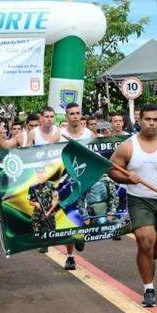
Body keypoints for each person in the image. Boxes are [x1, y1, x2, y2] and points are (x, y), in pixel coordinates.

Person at [110, 104, 157, 307]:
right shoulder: (128, 146)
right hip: (139, 200)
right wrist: (128, 180)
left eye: (155, 119)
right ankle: (148, 288)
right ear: (139, 121)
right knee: (145, 240)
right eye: (147, 119)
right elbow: (112, 170)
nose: (151, 123)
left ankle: (146, 259)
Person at [59, 102, 95, 265]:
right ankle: (70, 256)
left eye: (77, 113)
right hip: (67, 180)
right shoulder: (60, 134)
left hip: (86, 179)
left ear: (81, 115)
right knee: (70, 216)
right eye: (71, 114)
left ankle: (81, 233)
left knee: (85, 214)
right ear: (67, 117)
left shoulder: (88, 133)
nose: (74, 116)